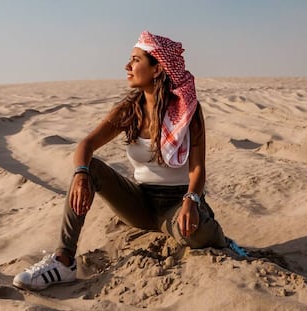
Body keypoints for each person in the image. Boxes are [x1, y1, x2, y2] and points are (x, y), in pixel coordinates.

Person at [13, 30, 230, 291]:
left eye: (136, 60)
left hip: (178, 202)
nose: (127, 66)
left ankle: (214, 232)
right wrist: (81, 173)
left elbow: (197, 168)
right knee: (89, 168)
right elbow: (87, 145)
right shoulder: (129, 110)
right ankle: (63, 261)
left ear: (157, 68)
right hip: (139, 203)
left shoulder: (188, 112)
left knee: (195, 235)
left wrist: (192, 200)